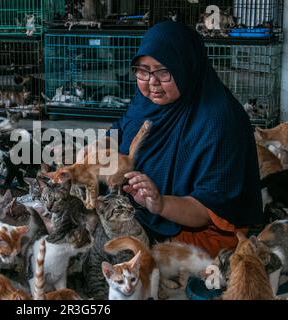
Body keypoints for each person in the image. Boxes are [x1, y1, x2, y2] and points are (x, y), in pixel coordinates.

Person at [109, 22, 263, 258]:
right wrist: (95, 147)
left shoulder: (219, 122)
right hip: (137, 205)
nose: (152, 82)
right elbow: (120, 129)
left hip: (194, 229)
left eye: (163, 71)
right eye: (143, 70)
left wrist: (159, 203)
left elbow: (209, 208)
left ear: (186, 68)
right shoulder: (147, 100)